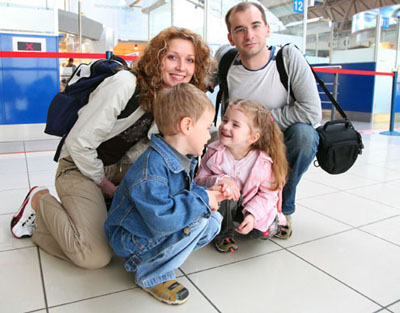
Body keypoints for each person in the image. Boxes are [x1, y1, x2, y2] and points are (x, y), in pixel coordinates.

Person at [10, 27, 212, 269]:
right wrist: (105, 185)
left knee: (125, 241)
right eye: (172, 57)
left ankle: (84, 217)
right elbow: (78, 144)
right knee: (94, 256)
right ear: (156, 58)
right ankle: (39, 202)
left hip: (125, 170)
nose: (181, 67)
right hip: (80, 166)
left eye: (190, 60)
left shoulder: (177, 100)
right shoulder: (125, 84)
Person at [105, 83, 227, 305]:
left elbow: (182, 198)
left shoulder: (182, 157)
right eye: (207, 127)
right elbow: (162, 220)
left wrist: (208, 197)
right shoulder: (151, 170)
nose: (209, 136)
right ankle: (152, 275)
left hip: (148, 229)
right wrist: (203, 200)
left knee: (213, 221)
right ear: (187, 125)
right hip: (131, 239)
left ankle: (160, 257)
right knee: (199, 219)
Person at [213, 2, 322, 238]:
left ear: (267, 29)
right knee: (209, 139)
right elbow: (198, 82)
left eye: (255, 26)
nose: (249, 35)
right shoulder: (225, 60)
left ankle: (284, 208)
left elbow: (312, 112)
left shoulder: (288, 58)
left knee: (305, 136)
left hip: (278, 139)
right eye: (240, 29)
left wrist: (260, 122)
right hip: (238, 143)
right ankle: (225, 208)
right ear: (231, 38)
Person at [195, 99, 288, 252]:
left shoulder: (263, 162)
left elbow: (267, 195)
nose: (225, 126)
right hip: (225, 204)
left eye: (235, 124)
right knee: (224, 192)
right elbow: (198, 181)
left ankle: (275, 224)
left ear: (253, 137)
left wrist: (252, 215)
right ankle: (224, 234)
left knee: (259, 233)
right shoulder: (213, 152)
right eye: (225, 120)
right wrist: (220, 180)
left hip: (251, 205)